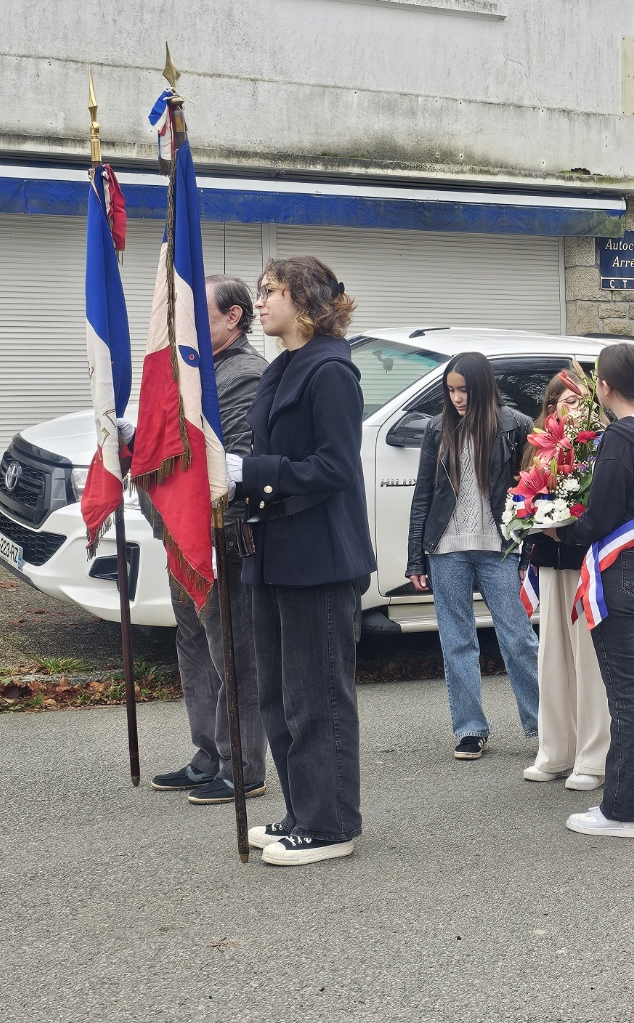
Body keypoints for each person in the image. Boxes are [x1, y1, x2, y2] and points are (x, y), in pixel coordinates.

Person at [234, 256, 375, 866]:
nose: (260, 303)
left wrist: (253, 474)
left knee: (316, 696)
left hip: (319, 554)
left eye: (272, 292)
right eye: (262, 292)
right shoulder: (284, 366)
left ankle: (330, 823)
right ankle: (301, 809)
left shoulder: (330, 372)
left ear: (307, 302)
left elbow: (336, 467)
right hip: (275, 551)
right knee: (278, 694)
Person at [149, 275, 270, 804]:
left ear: (234, 318)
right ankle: (208, 754)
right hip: (181, 533)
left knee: (233, 652)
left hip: (222, 533)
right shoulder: (194, 367)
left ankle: (242, 765)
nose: (190, 325)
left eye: (203, 315)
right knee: (194, 645)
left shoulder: (246, 373)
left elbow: (230, 458)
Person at [557, 343, 634, 838]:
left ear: (604, 387)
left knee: (626, 692)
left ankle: (625, 810)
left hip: (618, 571)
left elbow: (601, 518)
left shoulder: (621, 439)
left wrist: (554, 529)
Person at [406, 352, 539, 761]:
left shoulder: (515, 425)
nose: (457, 397)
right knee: (456, 640)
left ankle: (542, 724)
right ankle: (470, 728)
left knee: (517, 637)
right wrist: (415, 558)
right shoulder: (437, 428)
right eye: (450, 389)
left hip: (498, 547)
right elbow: (423, 495)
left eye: (464, 389)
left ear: (482, 386)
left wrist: (526, 550)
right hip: (446, 549)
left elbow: (530, 491)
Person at [520, 372, 611, 791]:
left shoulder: (599, 446)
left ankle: (593, 759)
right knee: (551, 658)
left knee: (588, 661)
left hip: (585, 563)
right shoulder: (538, 445)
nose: (568, 409)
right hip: (549, 562)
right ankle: (555, 751)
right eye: (562, 401)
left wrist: (568, 522)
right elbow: (523, 497)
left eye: (577, 402)